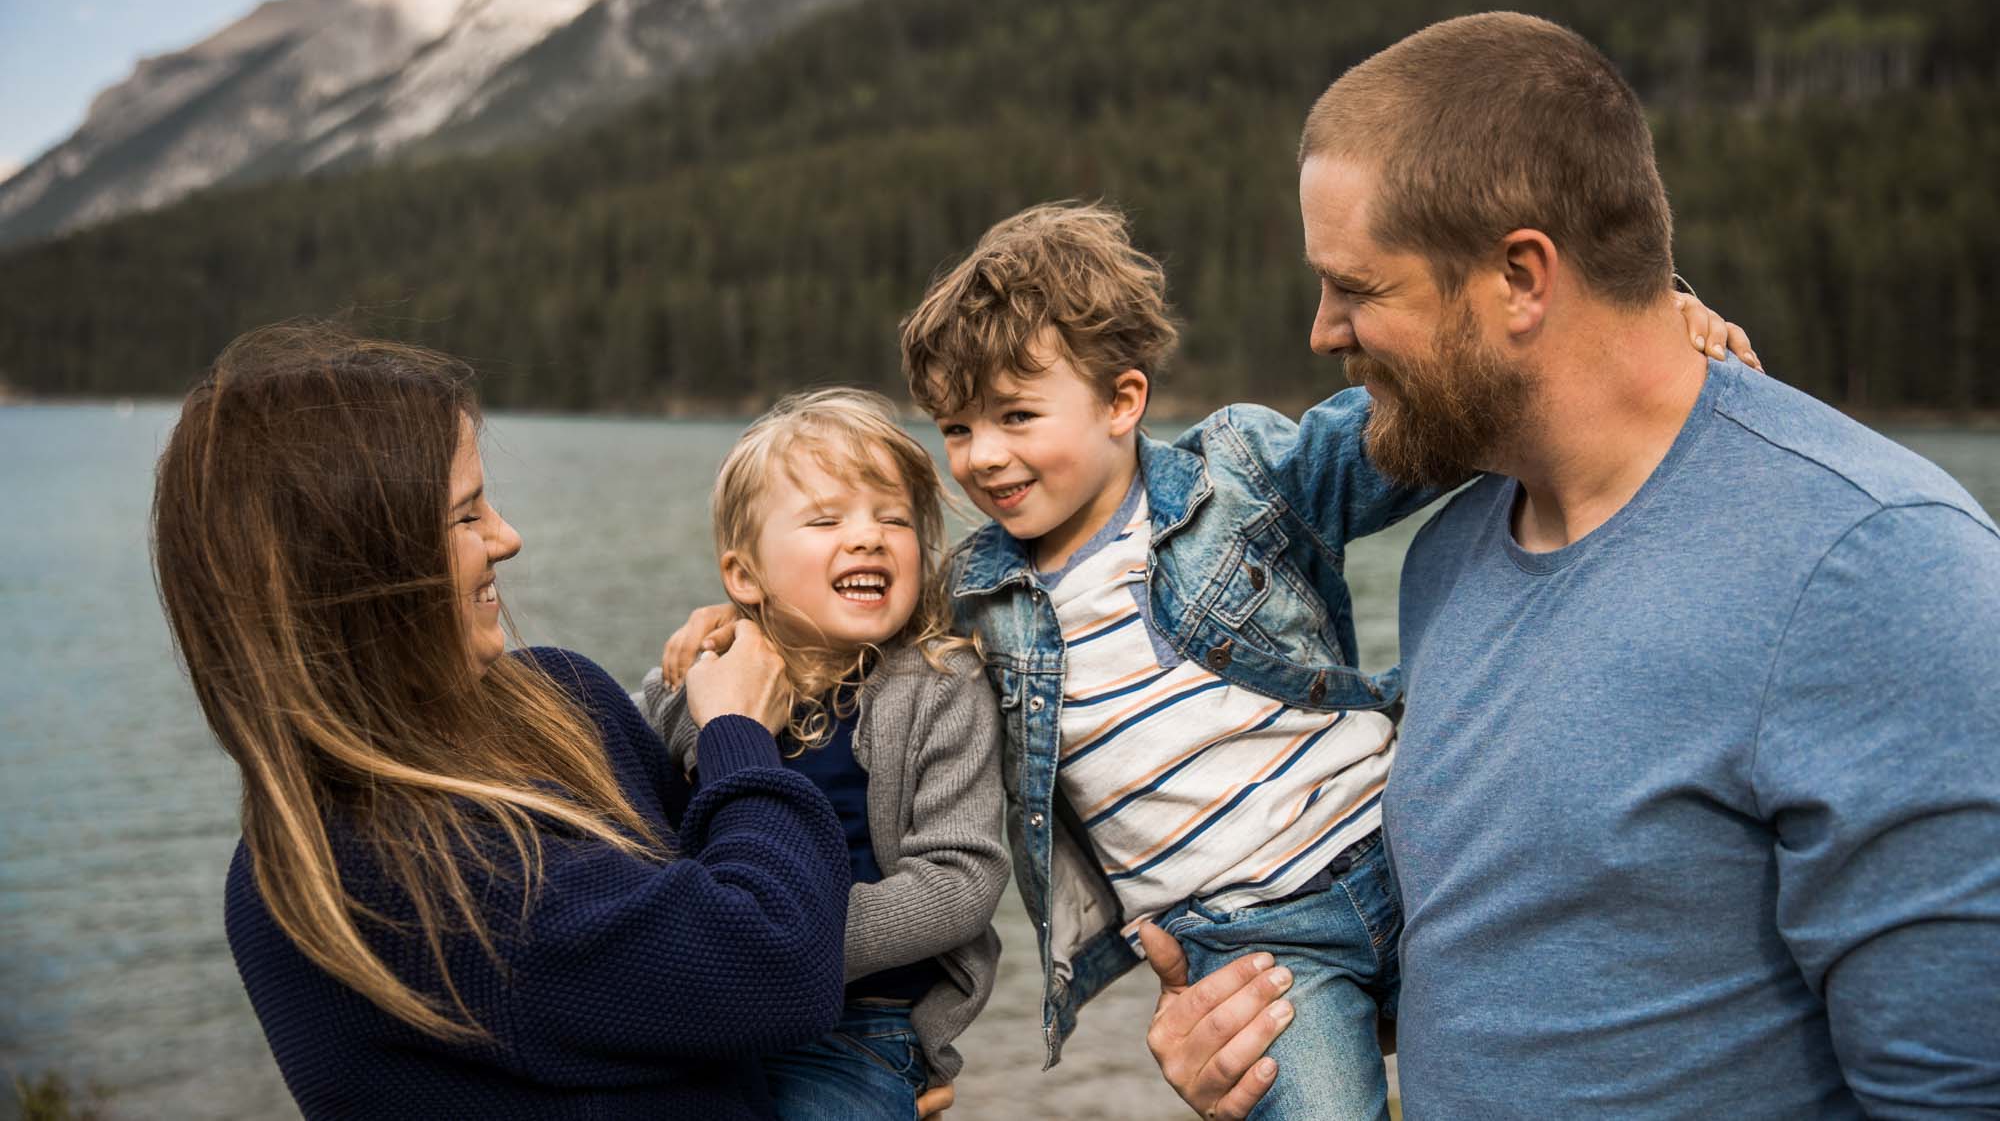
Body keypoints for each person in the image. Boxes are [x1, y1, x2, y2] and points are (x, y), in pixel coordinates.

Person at [673, 208, 1746, 1120]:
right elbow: (850, 620)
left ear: (1121, 401)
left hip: (1412, 853)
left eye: (1014, 416)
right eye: (955, 427)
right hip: (1254, 948)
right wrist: (740, 625)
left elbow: (1422, 428)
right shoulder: (971, 595)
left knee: (1578, 1071)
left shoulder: (1236, 477)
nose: (981, 457)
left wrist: (1641, 330)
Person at [1144, 12, 2000, 1118]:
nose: (1322, 331)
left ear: (1518, 277)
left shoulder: (1875, 571)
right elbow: (1533, 978)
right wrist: (1262, 1032)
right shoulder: (1450, 549)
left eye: (1355, 289)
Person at [153, 322, 852, 1120]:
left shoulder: (562, 696)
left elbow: (713, 924)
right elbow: (777, 962)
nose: (508, 538)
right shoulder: (380, 875)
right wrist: (738, 731)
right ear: (364, 565)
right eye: (465, 515)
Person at [639, 389, 1008, 1120]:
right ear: (744, 575)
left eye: (894, 518)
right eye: (826, 518)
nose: (868, 536)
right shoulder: (695, 680)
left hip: (853, 1027)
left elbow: (963, 878)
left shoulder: (940, 686)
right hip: (699, 1021)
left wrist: (792, 940)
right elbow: (631, 830)